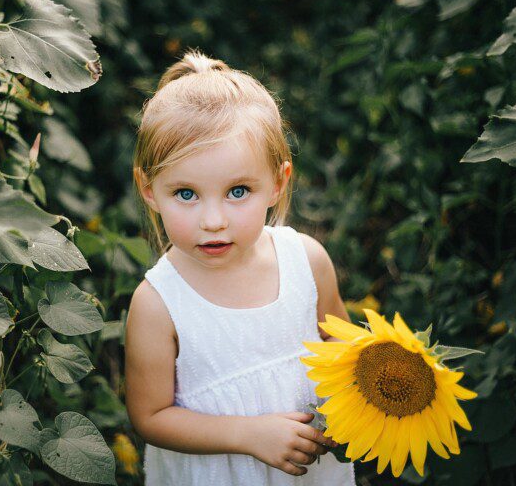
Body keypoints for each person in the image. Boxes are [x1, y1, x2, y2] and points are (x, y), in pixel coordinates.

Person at [124, 48, 357, 485]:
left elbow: (346, 354)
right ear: (149, 189)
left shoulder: (306, 263)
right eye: (187, 194)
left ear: (278, 182)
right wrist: (248, 435)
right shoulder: (158, 304)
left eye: (237, 191)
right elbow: (150, 416)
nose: (213, 220)